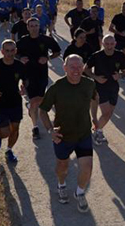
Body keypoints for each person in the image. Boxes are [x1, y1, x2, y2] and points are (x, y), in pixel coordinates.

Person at [39, 55, 97, 213]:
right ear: (65, 68)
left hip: (84, 134)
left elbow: (94, 98)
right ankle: (61, 185)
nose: (76, 70)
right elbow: (42, 110)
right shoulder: (57, 87)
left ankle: (79, 192)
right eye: (72, 67)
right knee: (62, 167)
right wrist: (50, 130)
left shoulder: (89, 84)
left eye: (79, 66)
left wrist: (95, 117)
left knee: (87, 167)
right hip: (62, 136)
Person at [16, 18, 61, 140]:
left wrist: (48, 58)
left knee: (39, 100)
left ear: (39, 26)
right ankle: (35, 127)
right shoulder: (23, 41)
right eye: (31, 26)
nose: (34, 28)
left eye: (36, 25)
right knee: (35, 101)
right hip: (27, 75)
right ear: (28, 27)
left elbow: (57, 51)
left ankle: (32, 109)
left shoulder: (46, 40)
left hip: (42, 74)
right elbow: (14, 53)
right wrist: (20, 58)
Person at [84, 34, 125, 145]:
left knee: (109, 113)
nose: (109, 46)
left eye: (112, 44)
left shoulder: (120, 55)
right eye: (107, 44)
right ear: (102, 44)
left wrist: (120, 75)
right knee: (107, 113)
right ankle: (97, 132)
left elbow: (124, 70)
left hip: (114, 87)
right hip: (100, 87)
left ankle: (96, 128)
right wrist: (96, 77)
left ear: (115, 44)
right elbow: (86, 69)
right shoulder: (97, 56)